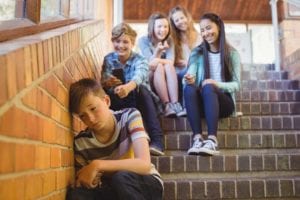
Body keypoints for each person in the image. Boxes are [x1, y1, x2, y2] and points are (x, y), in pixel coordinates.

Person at [66, 78, 163, 200]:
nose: (90, 118)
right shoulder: (81, 143)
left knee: (121, 178)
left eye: (93, 109)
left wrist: (98, 165)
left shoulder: (130, 117)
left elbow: (144, 164)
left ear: (106, 101)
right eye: (82, 116)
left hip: (144, 182)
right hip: (113, 188)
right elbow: (86, 181)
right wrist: (92, 181)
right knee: (77, 195)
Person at [101, 22, 164, 156]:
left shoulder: (140, 59)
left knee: (141, 89)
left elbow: (140, 75)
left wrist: (128, 87)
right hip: (119, 100)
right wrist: (108, 83)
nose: (121, 46)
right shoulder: (108, 59)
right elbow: (104, 78)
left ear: (132, 43)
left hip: (139, 100)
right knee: (106, 94)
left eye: (125, 42)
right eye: (118, 41)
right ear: (113, 41)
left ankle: (157, 140)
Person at [183, 13, 241, 156]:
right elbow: (192, 72)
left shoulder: (232, 54)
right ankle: (197, 138)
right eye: (202, 30)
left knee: (209, 86)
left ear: (219, 27)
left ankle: (212, 140)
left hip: (224, 103)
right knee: (189, 88)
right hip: (204, 103)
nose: (205, 33)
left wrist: (216, 84)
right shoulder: (198, 52)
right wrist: (189, 78)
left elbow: (237, 85)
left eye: (208, 28)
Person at [138, 12, 185, 117]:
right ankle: (166, 105)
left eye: (165, 26)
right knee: (159, 66)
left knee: (167, 66)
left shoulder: (169, 40)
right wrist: (158, 51)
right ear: (152, 27)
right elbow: (150, 64)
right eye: (159, 26)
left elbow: (171, 62)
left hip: (165, 77)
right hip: (148, 77)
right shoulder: (143, 41)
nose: (163, 30)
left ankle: (175, 104)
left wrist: (159, 60)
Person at [169, 6, 202, 108]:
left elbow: (201, 58)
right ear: (173, 23)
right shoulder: (172, 38)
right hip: (179, 73)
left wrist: (188, 62)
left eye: (182, 18)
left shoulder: (199, 36)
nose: (180, 21)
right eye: (177, 20)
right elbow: (172, 59)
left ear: (187, 17)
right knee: (187, 72)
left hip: (195, 70)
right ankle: (185, 106)